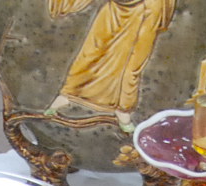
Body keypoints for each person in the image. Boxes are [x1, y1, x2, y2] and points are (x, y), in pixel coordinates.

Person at [44, 0, 176, 126]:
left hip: (145, 12)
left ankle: (124, 109)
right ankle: (68, 94)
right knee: (91, 53)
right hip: (115, 11)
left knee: (132, 64)